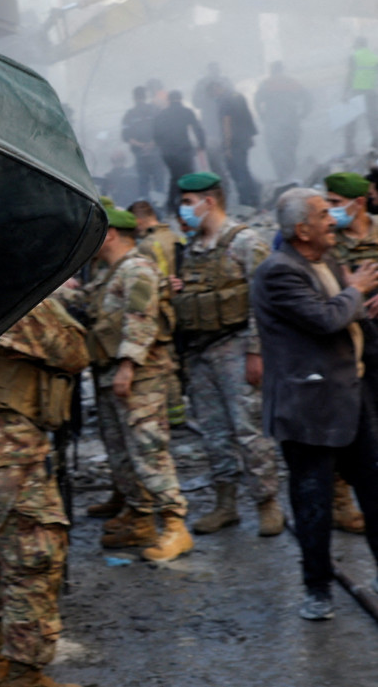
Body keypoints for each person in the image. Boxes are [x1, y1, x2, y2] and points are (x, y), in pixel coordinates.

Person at [252, 187, 378, 620]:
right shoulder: (278, 272)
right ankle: (318, 589)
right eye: (324, 214)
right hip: (309, 407)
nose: (332, 220)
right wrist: (357, 290)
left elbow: (347, 316)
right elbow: (325, 320)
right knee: (314, 502)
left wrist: (364, 306)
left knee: (374, 490)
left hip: (353, 396)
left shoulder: (327, 261)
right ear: (302, 230)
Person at [0, 297, 87, 687]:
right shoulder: (20, 297)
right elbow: (75, 353)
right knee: (32, 562)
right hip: (13, 451)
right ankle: (24, 674)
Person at [170, 173, 284, 536]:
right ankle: (226, 503)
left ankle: (267, 503)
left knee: (249, 430)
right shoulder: (192, 248)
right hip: (201, 353)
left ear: (210, 201)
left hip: (236, 348)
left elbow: (265, 303)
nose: (183, 210)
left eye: (188, 202)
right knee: (213, 433)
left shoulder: (246, 242)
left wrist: (257, 352)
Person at [83, 208, 193, 562]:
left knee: (149, 451)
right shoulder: (109, 272)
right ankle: (140, 516)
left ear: (112, 234)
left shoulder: (137, 268)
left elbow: (140, 319)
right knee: (120, 453)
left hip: (138, 376)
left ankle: (175, 524)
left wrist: (127, 366)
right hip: (110, 373)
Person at [322, 172, 377, 534]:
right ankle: (341, 501)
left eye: (336, 203)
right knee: (345, 421)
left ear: (359, 203)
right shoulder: (326, 241)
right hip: (345, 343)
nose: (330, 211)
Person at [128, 199, 186, 425]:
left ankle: (174, 416)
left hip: (162, 311)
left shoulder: (146, 245)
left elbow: (153, 284)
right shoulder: (176, 237)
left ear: (138, 221)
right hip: (182, 307)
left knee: (166, 366)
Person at [254, 61, 311, 181]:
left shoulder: (267, 84)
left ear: (271, 71)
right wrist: (303, 113)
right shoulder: (291, 82)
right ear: (282, 70)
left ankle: (282, 176)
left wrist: (262, 115)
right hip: (291, 122)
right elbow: (307, 98)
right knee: (290, 150)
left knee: (275, 150)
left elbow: (257, 101)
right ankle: (292, 174)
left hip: (273, 122)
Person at [153, 90, 206, 217]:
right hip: (184, 151)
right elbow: (198, 129)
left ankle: (172, 207)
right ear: (181, 99)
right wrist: (201, 145)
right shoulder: (186, 112)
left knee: (175, 177)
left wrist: (163, 148)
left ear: (169, 100)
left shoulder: (162, 115)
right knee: (187, 178)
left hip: (168, 153)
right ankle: (188, 205)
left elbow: (156, 135)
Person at [210, 80, 260, 208]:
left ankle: (245, 201)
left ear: (217, 87)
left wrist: (227, 145)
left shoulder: (224, 101)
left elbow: (226, 122)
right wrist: (251, 135)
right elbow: (247, 116)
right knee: (244, 169)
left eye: (212, 92)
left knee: (237, 171)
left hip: (234, 142)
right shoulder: (238, 96)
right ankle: (254, 198)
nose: (213, 95)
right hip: (244, 139)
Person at [121, 86, 165, 201]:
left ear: (134, 98)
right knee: (159, 183)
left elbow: (126, 137)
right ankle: (160, 206)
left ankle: (145, 206)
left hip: (140, 154)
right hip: (156, 152)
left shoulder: (129, 114)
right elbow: (163, 130)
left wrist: (141, 145)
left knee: (143, 183)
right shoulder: (155, 110)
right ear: (145, 96)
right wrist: (152, 144)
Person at [192, 62, 232, 179]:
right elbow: (196, 102)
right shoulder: (221, 82)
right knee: (220, 150)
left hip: (219, 121)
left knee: (219, 151)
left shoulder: (222, 81)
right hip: (213, 123)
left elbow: (196, 102)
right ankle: (224, 174)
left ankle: (223, 174)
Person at [344, 37, 378, 154]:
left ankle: (350, 150)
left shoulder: (353, 56)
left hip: (356, 93)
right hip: (370, 93)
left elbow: (350, 75)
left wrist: (345, 93)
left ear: (357, 45)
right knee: (373, 121)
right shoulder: (374, 58)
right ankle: (376, 147)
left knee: (351, 121)